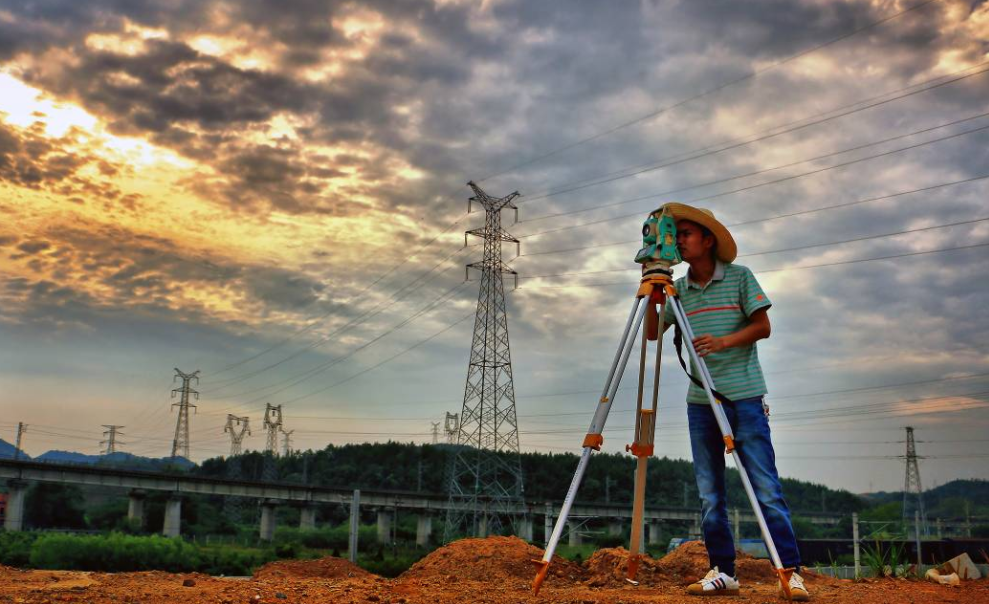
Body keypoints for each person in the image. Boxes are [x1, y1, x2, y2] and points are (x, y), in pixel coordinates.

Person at [657, 202, 808, 600]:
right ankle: (723, 572)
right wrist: (655, 288)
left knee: (765, 488)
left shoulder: (740, 278)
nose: (680, 241)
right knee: (710, 494)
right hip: (701, 401)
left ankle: (790, 571)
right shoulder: (679, 290)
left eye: (686, 234)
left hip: (744, 397)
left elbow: (763, 326)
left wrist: (723, 341)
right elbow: (653, 333)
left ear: (708, 240)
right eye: (677, 235)